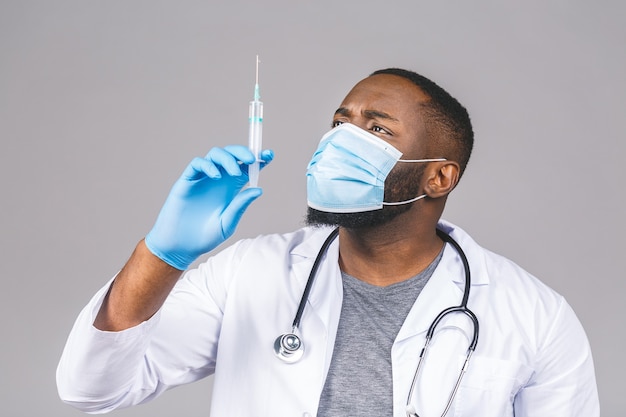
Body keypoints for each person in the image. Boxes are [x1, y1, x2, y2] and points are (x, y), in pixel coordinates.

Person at [57, 68, 599, 416]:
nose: (341, 139)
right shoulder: (249, 272)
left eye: (377, 129)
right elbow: (91, 389)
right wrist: (163, 253)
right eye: (340, 121)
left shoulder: (535, 316)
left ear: (439, 177)